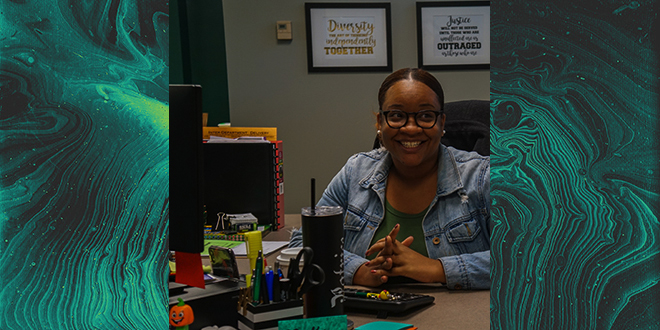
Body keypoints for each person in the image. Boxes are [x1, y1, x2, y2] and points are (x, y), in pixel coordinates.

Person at [291, 68, 490, 290]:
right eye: (397, 116)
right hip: (368, 317)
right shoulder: (355, 172)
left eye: (425, 116)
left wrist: (436, 268)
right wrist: (359, 271)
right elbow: (303, 244)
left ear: (442, 123)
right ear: (379, 122)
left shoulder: (482, 177)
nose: (411, 128)